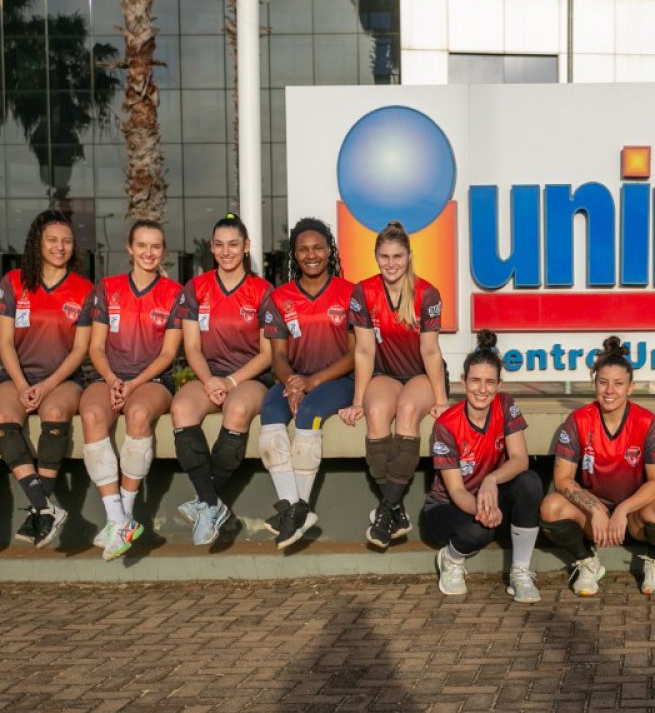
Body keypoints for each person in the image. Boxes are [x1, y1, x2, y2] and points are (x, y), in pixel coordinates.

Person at [539, 336, 655, 596]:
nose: (609, 390)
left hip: (635, 513)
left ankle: (654, 561)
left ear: (630, 387)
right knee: (551, 507)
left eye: (618, 383)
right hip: (594, 514)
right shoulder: (579, 420)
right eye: (603, 382)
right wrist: (596, 510)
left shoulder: (647, 421)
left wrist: (623, 510)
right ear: (594, 384)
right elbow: (562, 480)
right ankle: (587, 562)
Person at [338, 221, 450, 550]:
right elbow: (363, 351)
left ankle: (386, 510)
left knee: (408, 409)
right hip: (385, 373)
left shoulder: (427, 293)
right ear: (375, 256)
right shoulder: (363, 292)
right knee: (375, 412)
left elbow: (430, 352)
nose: (391, 263)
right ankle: (396, 510)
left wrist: (441, 400)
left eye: (398, 256)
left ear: (409, 256)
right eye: (384, 256)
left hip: (421, 374)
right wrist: (357, 400)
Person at [80, 219, 183, 560]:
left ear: (163, 251)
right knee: (92, 414)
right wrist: (112, 380)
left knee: (138, 414)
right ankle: (117, 520)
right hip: (111, 377)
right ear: (129, 248)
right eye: (141, 245)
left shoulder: (174, 293)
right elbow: (96, 348)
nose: (148, 253)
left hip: (153, 381)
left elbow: (168, 354)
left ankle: (123, 515)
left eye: (155, 246)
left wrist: (134, 383)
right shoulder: (107, 288)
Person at [0, 209, 93, 549]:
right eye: (52, 240)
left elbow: (80, 350)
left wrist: (47, 386)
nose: (60, 247)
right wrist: (22, 386)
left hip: (63, 380)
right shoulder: (13, 282)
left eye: (67, 241)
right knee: (3, 416)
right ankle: (44, 507)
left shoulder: (84, 289)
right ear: (38, 243)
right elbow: (4, 343)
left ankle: (40, 509)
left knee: (55, 413)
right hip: (17, 377)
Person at [170, 215, 274, 546]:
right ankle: (212, 504)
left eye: (233, 244)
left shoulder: (262, 291)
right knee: (182, 408)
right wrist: (210, 381)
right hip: (208, 374)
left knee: (238, 409)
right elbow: (191, 348)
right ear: (212, 248)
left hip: (250, 377)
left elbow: (267, 355)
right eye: (219, 245)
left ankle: (206, 502)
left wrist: (229, 382)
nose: (226, 251)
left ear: (246, 247)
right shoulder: (196, 288)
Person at [423, 331, 543, 603]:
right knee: (480, 530)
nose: (482, 389)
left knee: (530, 482)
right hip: (448, 506)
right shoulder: (446, 425)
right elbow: (456, 490)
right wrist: (483, 509)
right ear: (463, 381)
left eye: (490, 382)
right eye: (475, 380)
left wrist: (491, 480)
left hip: (490, 494)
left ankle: (520, 572)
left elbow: (520, 459)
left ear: (499, 384)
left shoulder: (506, 404)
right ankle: (451, 559)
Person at [259, 218, 355, 549]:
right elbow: (278, 356)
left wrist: (311, 382)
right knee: (270, 416)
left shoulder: (350, 293)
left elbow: (355, 356)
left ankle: (294, 513)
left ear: (330, 251)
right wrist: (291, 383)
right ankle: (296, 510)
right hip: (295, 379)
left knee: (309, 414)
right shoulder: (280, 297)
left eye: (318, 248)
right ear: (294, 254)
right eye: (303, 249)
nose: (311, 255)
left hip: (338, 380)